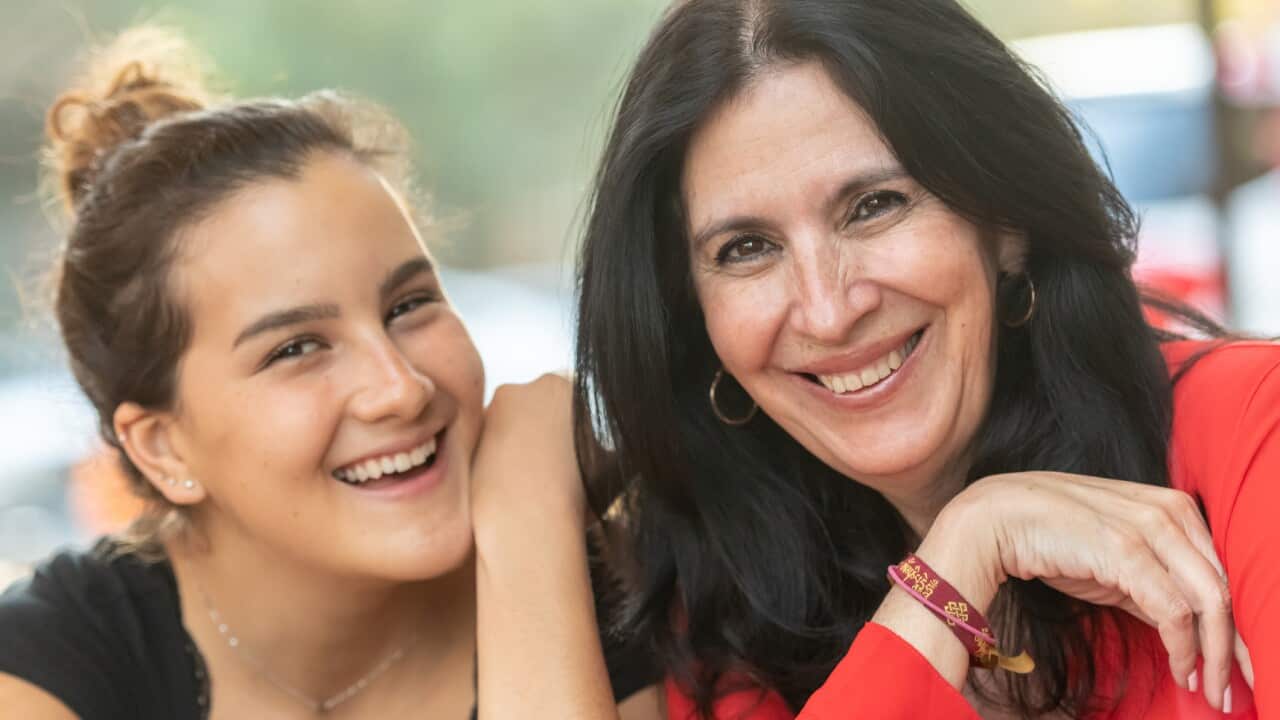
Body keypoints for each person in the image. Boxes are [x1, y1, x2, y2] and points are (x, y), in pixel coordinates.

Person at [572, 0, 1279, 717]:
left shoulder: (1255, 433)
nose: (829, 309)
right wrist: (963, 553)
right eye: (747, 249)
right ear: (696, 320)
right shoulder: (735, 624)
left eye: (875, 204)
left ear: (1005, 218)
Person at [0, 27, 662, 719]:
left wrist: (528, 528)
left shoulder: (587, 576)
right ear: (163, 447)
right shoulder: (51, 669)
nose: (401, 388)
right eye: (295, 348)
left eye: (410, 305)